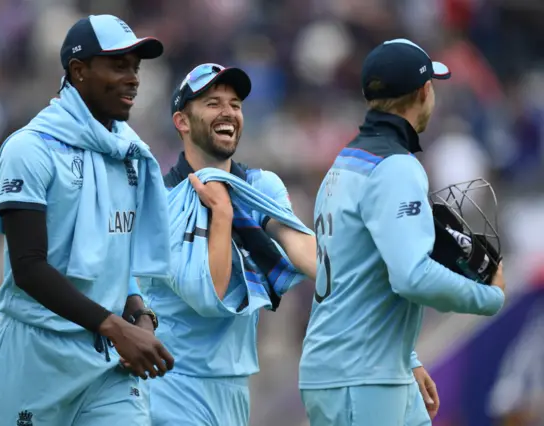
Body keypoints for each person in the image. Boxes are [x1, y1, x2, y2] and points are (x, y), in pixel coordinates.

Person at [298, 38, 507, 426]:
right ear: (424, 92)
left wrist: (406, 357)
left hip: (362, 369)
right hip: (362, 377)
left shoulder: (342, 165)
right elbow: (411, 276)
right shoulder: (395, 167)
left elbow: (356, 273)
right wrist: (488, 296)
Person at [0, 15, 174, 426]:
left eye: (136, 67)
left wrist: (138, 313)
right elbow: (29, 268)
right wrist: (117, 328)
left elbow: (114, 257)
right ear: (78, 71)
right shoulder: (30, 149)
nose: (133, 78)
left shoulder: (129, 154)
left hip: (107, 365)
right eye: (118, 65)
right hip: (33, 358)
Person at [138, 63, 318, 426]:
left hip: (233, 390)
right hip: (170, 387)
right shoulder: (161, 201)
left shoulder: (259, 186)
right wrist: (220, 213)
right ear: (182, 121)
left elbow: (304, 250)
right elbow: (210, 295)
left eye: (235, 104)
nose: (229, 112)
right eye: (212, 103)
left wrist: (364, 283)